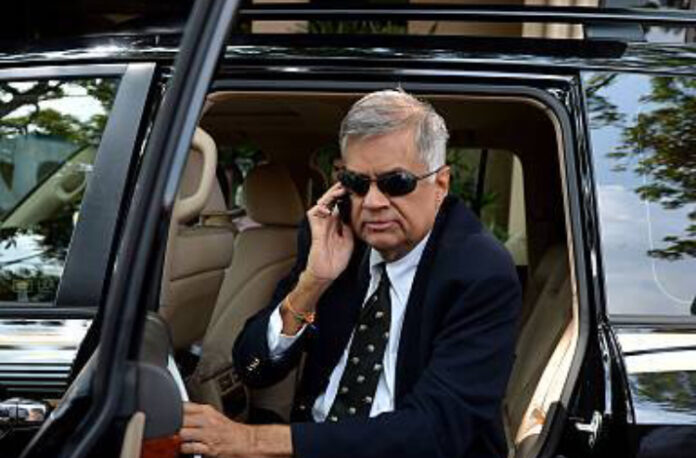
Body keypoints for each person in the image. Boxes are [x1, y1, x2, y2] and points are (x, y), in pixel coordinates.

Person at [180, 89, 522, 458]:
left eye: (396, 183)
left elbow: (435, 432)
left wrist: (253, 442)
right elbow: (253, 368)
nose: (373, 203)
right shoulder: (335, 240)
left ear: (440, 184)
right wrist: (313, 282)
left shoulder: (479, 271)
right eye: (358, 184)